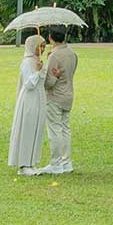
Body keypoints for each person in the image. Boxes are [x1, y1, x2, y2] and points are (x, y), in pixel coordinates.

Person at [38, 26, 77, 175]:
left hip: (55, 96)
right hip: (68, 94)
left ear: (50, 38)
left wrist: (43, 69)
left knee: (55, 129)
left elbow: (50, 82)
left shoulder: (54, 56)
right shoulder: (72, 53)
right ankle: (66, 161)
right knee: (65, 128)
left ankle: (56, 162)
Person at [8, 34, 48, 176]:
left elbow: (41, 81)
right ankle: (24, 164)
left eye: (43, 46)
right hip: (29, 99)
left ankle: (31, 162)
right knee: (27, 128)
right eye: (40, 46)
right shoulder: (27, 62)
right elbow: (29, 83)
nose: (42, 49)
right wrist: (37, 71)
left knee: (36, 128)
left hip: (39, 97)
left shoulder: (37, 61)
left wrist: (42, 69)